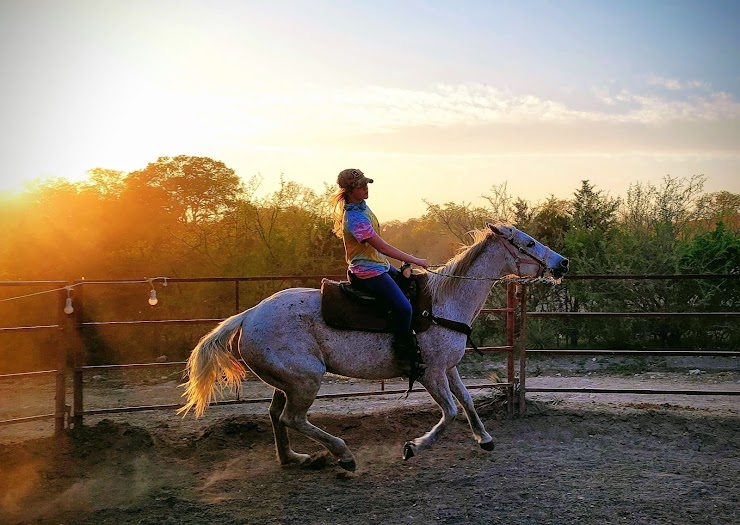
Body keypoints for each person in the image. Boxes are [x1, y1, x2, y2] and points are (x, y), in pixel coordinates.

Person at [330, 168, 428, 383]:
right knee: (403, 308)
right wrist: (414, 260)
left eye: (366, 184)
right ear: (349, 190)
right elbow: (381, 247)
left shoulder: (362, 206)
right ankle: (403, 359)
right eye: (361, 186)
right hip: (367, 271)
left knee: (411, 284)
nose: (366, 188)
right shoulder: (354, 217)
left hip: (379, 265)